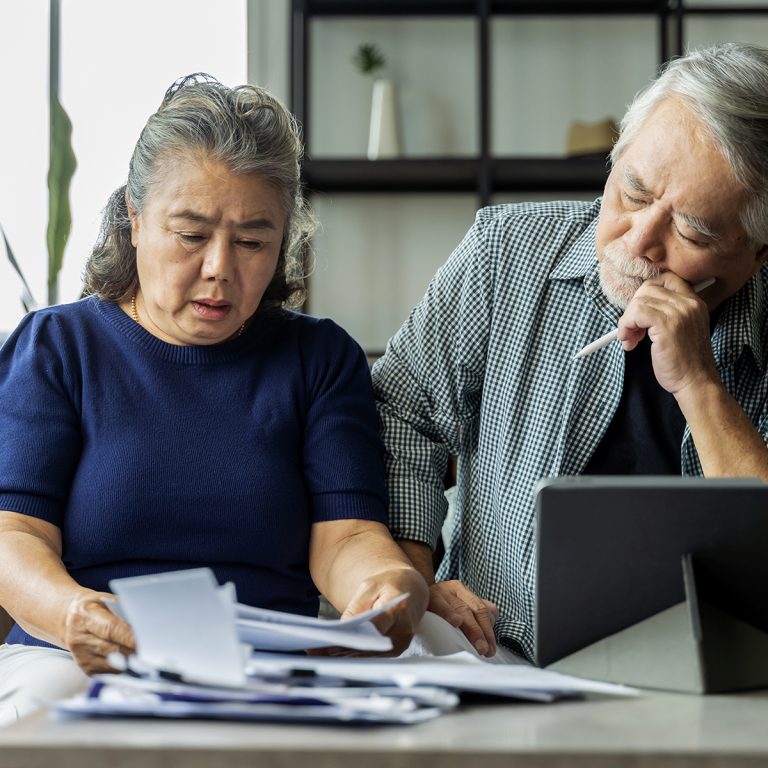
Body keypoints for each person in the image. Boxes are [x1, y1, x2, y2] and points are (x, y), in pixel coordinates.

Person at [0, 73, 428, 724]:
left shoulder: (318, 360)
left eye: (253, 240)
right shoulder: (58, 346)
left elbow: (345, 537)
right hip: (76, 654)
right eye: (191, 233)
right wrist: (73, 613)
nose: (220, 268)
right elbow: (14, 533)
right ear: (135, 220)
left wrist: (384, 588)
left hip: (267, 662)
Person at [372, 42, 768, 663]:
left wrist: (700, 385)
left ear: (758, 254)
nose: (638, 241)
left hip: (718, 678)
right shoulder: (503, 253)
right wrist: (417, 579)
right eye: (633, 193)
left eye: (691, 231)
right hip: (500, 657)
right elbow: (401, 415)